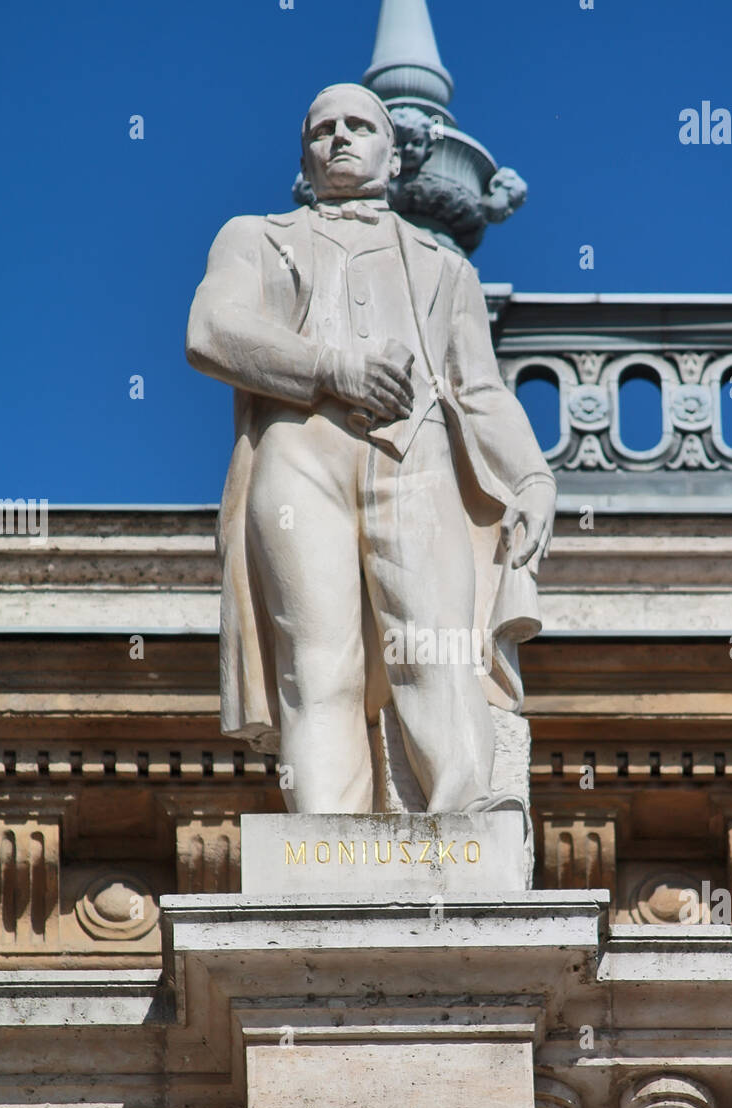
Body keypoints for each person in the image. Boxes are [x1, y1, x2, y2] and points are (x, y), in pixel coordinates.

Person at [186, 83, 556, 814]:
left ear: (392, 153)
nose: (342, 138)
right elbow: (211, 330)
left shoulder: (444, 267)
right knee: (315, 662)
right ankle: (322, 834)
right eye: (324, 130)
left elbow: (478, 390)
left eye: (360, 125)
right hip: (298, 451)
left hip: (414, 455)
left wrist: (532, 479)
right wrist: (333, 368)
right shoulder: (255, 237)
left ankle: (463, 811)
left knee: (436, 646)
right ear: (305, 157)